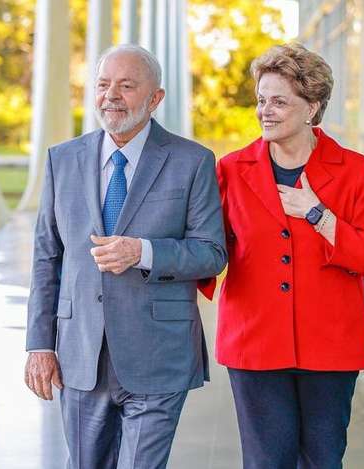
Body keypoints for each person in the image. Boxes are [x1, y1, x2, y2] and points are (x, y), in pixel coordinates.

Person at [24, 44, 227, 469]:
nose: (111, 95)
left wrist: (144, 251)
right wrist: (40, 344)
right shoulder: (63, 160)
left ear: (155, 99)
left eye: (127, 86)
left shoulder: (192, 162)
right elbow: (48, 258)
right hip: (80, 353)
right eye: (102, 84)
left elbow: (211, 253)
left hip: (159, 353)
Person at [203, 43, 364, 468]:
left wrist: (318, 214)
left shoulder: (356, 170)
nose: (265, 111)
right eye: (262, 100)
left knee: (323, 460)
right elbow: (208, 247)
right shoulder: (230, 169)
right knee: (267, 461)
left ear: (312, 107)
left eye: (279, 101)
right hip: (254, 343)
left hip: (332, 346)